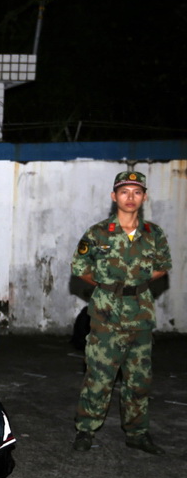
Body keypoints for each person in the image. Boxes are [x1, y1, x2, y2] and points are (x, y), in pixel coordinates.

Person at [71, 170, 172, 455]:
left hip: (140, 314)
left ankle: (137, 433)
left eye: (137, 192)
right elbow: (79, 267)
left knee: (139, 380)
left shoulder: (153, 234)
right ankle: (85, 431)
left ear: (144, 197)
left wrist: (136, 282)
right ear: (114, 196)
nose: (131, 197)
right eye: (124, 192)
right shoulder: (98, 233)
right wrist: (108, 286)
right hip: (106, 315)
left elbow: (163, 266)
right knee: (99, 377)